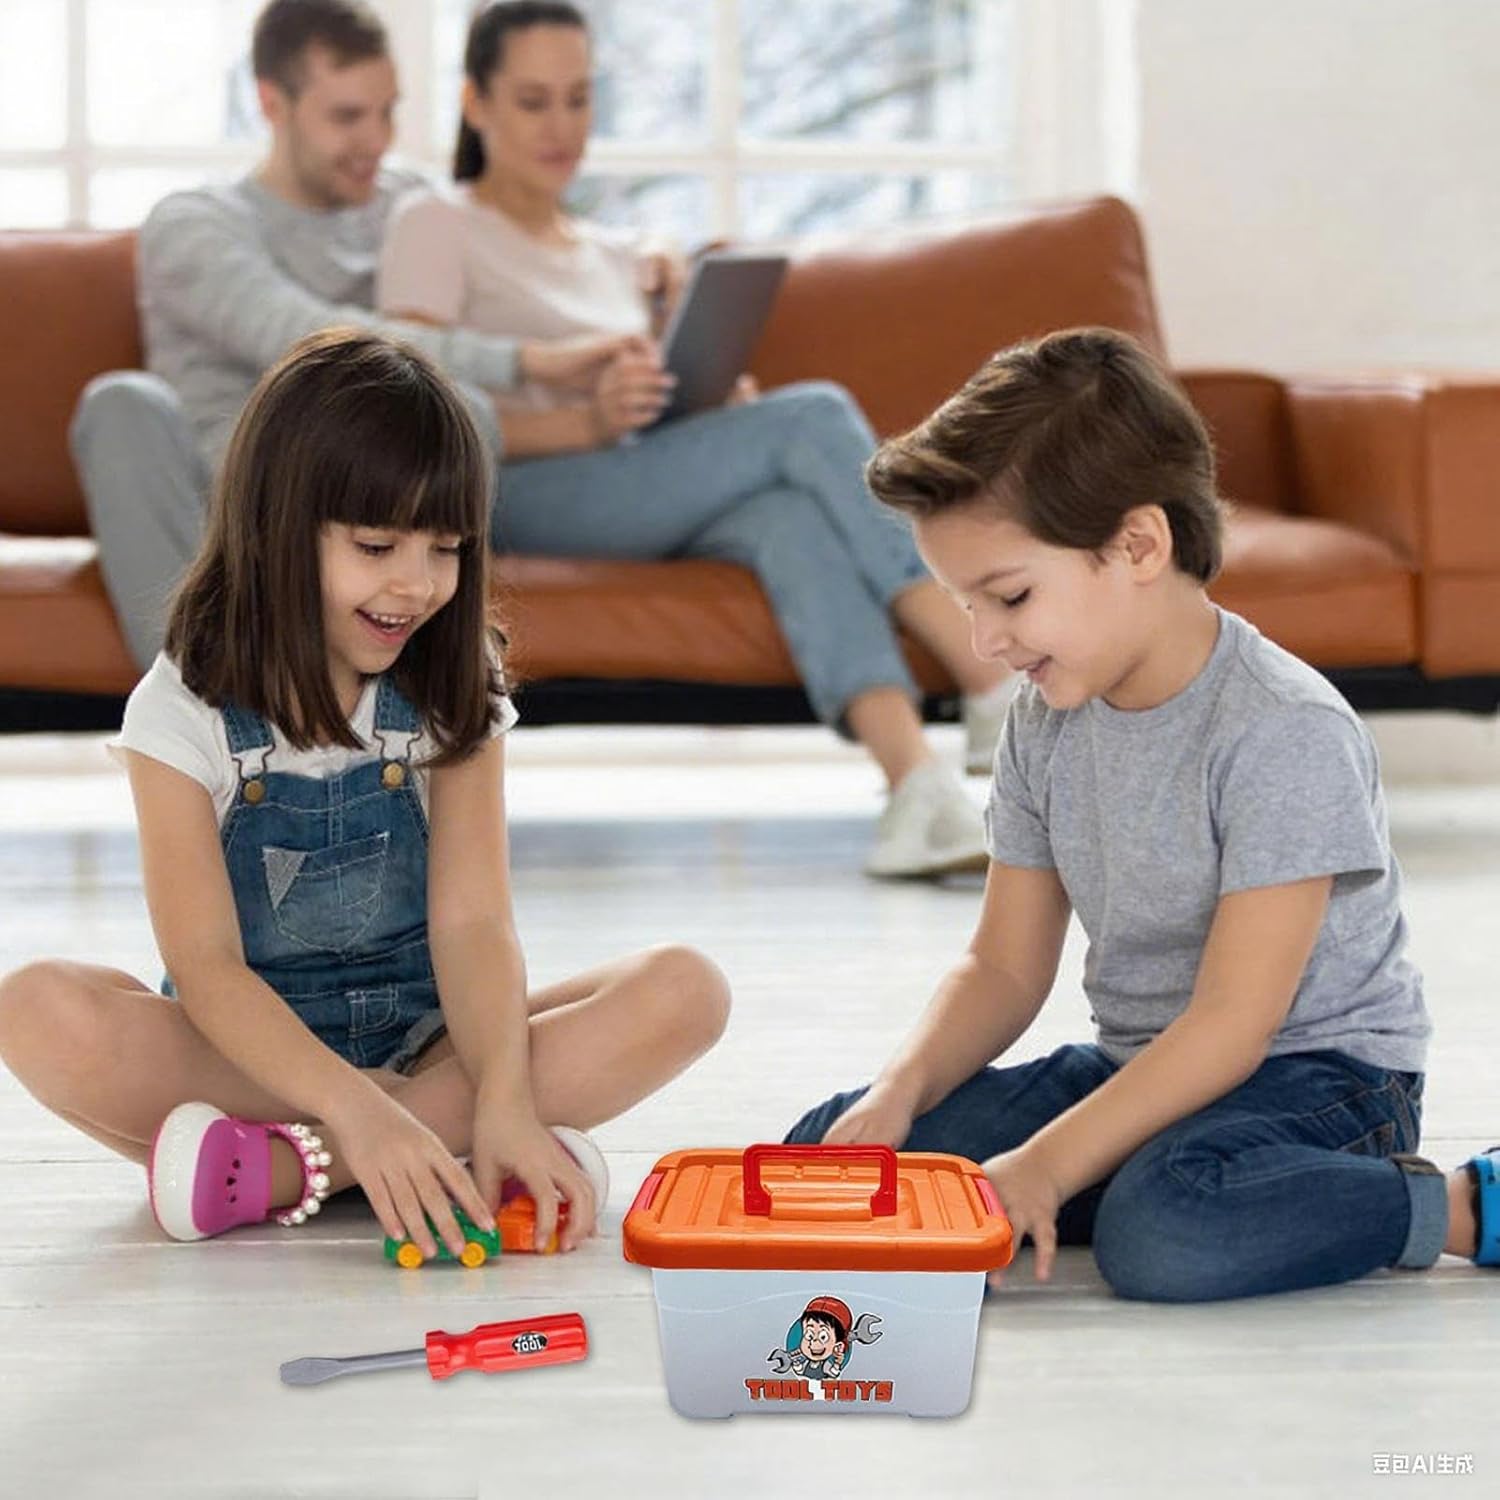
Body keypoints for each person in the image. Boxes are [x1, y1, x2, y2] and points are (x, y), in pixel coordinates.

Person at [783, 325, 1500, 1301]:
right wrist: (898, 1092)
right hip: (1143, 1065)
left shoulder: (1283, 728)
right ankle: (1125, 1171)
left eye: (1009, 597)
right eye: (966, 607)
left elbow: (1234, 1025)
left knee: (1167, 1232)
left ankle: (1460, 1203)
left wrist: (1044, 1165)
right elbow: (1002, 967)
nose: (986, 643)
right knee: (828, 1153)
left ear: (1138, 545)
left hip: (1320, 1082)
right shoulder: (1045, 719)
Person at [0, 330, 730, 1256]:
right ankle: (433, 1145)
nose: (416, 585)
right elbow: (210, 968)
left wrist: (505, 1095)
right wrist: (360, 1108)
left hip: (430, 1042)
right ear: (275, 529)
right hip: (250, 1064)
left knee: (684, 990)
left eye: (446, 548)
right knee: (34, 1009)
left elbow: (473, 926)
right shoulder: (180, 710)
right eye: (377, 544)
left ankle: (286, 1172)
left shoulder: (455, 682)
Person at [376, 0, 1020, 880]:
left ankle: (916, 789)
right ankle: (985, 669)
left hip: (633, 480)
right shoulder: (434, 224)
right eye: (532, 101)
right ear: (475, 103)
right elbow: (410, 412)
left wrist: (710, 405)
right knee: (814, 415)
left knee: (786, 516)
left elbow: (648, 410)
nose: (561, 126)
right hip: (519, 489)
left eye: (578, 98)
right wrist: (586, 422)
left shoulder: (613, 251)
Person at [75, 0, 630, 671]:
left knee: (466, 412)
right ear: (272, 104)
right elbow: (309, 339)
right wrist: (528, 362)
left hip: (359, 505)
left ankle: (409, 697)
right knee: (121, 403)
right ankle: (194, 703)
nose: (375, 140)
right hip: (232, 509)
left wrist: (638, 260)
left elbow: (520, 253)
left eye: (387, 112)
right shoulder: (196, 223)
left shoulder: (408, 205)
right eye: (346, 116)